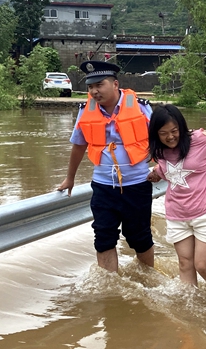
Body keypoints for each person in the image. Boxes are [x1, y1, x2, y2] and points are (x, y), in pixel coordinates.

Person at [57, 61, 154, 272]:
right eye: (90, 87)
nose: (94, 91)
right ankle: (111, 286)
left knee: (140, 236)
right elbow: (78, 145)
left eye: (99, 85)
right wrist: (70, 177)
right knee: (103, 235)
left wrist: (163, 166)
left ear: (115, 84)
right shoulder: (85, 111)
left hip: (137, 184)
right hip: (102, 186)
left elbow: (163, 139)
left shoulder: (141, 107)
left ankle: (149, 276)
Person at [147, 104, 206, 291]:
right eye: (163, 133)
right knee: (185, 263)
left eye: (174, 131)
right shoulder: (159, 150)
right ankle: (191, 308)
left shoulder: (202, 139)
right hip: (178, 212)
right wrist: (157, 172)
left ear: (181, 128)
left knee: (202, 265)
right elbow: (172, 169)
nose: (170, 137)